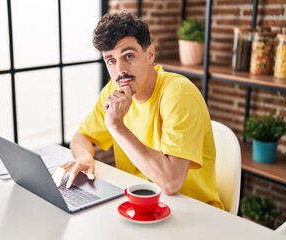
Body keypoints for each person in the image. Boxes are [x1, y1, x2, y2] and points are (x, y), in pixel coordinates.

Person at [53, 11, 224, 209]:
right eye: (111, 60)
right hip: (138, 202)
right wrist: (84, 156)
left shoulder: (178, 94)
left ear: (150, 54)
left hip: (193, 211)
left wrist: (116, 126)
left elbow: (171, 183)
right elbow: (81, 137)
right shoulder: (113, 90)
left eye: (129, 56)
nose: (120, 70)